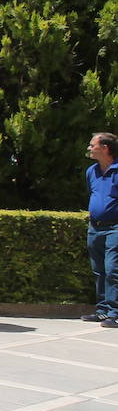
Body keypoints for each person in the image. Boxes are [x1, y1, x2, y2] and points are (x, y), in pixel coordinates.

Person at [84, 132, 118, 328]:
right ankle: (103, 311)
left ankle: (115, 312)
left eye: (92, 145)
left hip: (115, 227)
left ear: (105, 148)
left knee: (113, 268)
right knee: (99, 270)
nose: (89, 148)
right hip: (95, 227)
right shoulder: (91, 171)